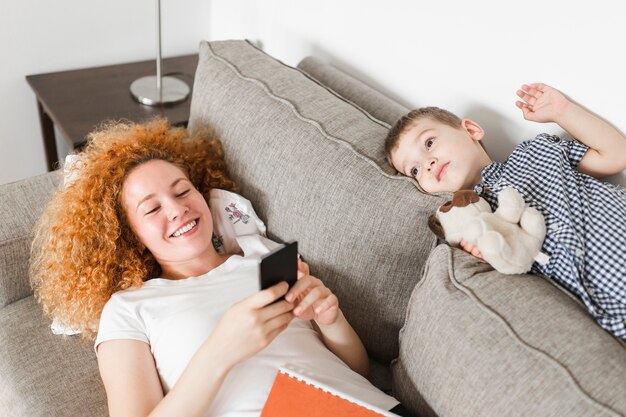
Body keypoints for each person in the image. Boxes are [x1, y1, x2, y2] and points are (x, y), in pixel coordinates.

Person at [30, 119, 414, 417]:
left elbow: (357, 372)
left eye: (182, 191)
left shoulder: (264, 260)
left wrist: (332, 319)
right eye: (152, 208)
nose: (177, 208)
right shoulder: (130, 309)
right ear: (129, 235)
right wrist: (221, 349)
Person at [384, 83, 626, 340]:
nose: (427, 164)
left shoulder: (536, 153)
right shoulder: (475, 226)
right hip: (612, 312)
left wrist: (563, 112)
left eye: (429, 143)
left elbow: (616, 156)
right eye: (415, 171)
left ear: (471, 130)